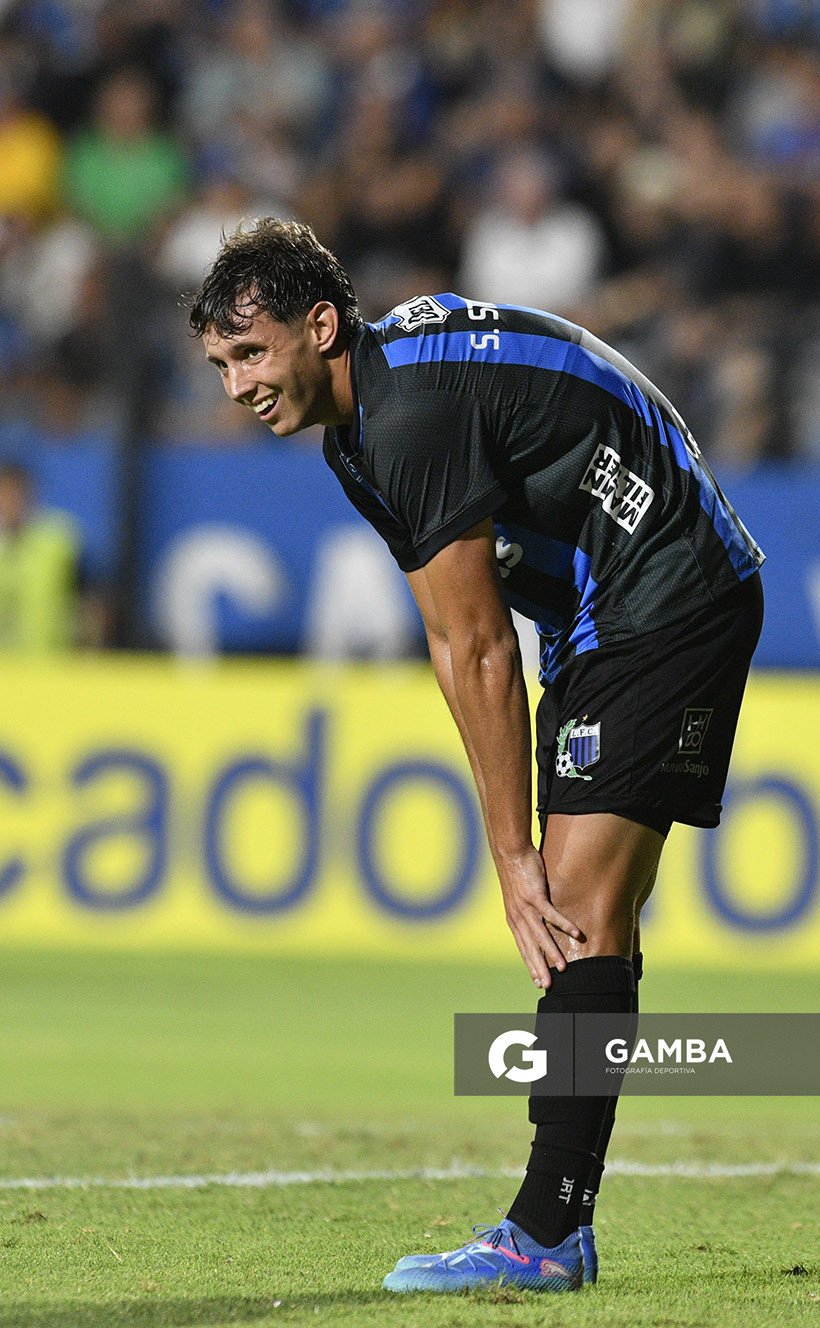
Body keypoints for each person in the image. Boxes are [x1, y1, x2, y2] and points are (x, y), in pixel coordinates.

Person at [190, 218, 764, 1294]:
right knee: (589, 908)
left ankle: (547, 1231)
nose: (236, 385)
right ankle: (559, 1222)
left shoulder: (402, 415)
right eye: (222, 363)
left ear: (322, 325)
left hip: (660, 589)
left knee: (571, 899)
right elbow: (459, 637)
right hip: (624, 601)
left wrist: (508, 853)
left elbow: (480, 646)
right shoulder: (363, 423)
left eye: (253, 352)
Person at [0, 461, 93, 651]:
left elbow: (91, 603)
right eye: (0, 493)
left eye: (13, 493)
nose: (6, 502)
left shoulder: (59, 540)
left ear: (29, 495)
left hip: (50, 665)